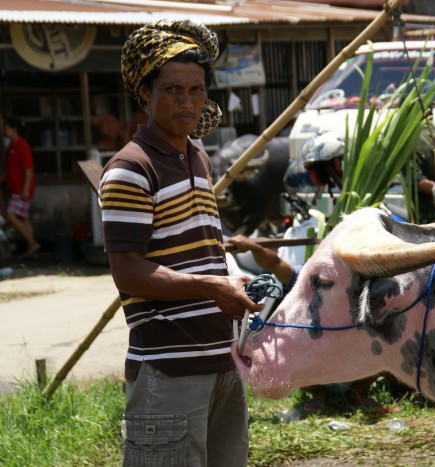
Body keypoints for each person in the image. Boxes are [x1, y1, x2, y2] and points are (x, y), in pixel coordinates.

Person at [98, 19, 264, 467]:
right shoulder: (131, 169)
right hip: (169, 368)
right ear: (145, 94)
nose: (187, 101)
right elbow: (127, 270)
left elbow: (198, 249)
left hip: (222, 360)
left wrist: (231, 276)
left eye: (196, 90)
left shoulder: (197, 156)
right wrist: (211, 288)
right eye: (172, 90)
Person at [226, 235, 380, 414]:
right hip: (314, 372)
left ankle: (358, 394)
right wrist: (253, 248)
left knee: (381, 344)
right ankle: (319, 396)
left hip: (354, 371)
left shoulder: (362, 288)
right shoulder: (305, 280)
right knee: (295, 349)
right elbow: (275, 264)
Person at [2, 116, 40, 258]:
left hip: (21, 190)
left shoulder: (22, 145)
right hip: (16, 188)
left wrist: (25, 189)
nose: (4, 130)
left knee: (10, 215)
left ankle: (33, 243)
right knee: (24, 219)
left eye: (6, 128)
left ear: (14, 130)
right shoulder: (11, 146)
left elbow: (28, 169)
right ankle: (32, 247)